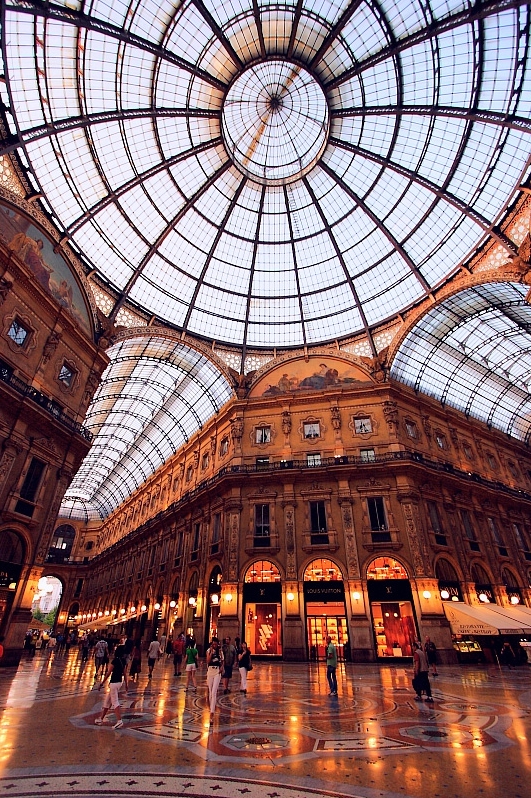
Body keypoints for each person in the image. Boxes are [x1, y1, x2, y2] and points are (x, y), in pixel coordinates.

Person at [95, 644, 129, 729]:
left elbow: (108, 673)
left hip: (114, 683)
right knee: (107, 701)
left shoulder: (114, 661)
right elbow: (124, 673)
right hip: (119, 682)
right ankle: (101, 719)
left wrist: (102, 683)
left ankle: (119, 721)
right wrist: (126, 684)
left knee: (115, 702)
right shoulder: (123, 661)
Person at [205, 637, 223, 724]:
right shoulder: (209, 650)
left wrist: (222, 668)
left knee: (213, 692)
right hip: (210, 671)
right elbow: (208, 661)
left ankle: (212, 713)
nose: (214, 645)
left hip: (217, 672)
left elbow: (223, 661)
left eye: (216, 644)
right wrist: (211, 653)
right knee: (210, 691)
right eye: (213, 644)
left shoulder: (220, 651)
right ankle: (211, 708)